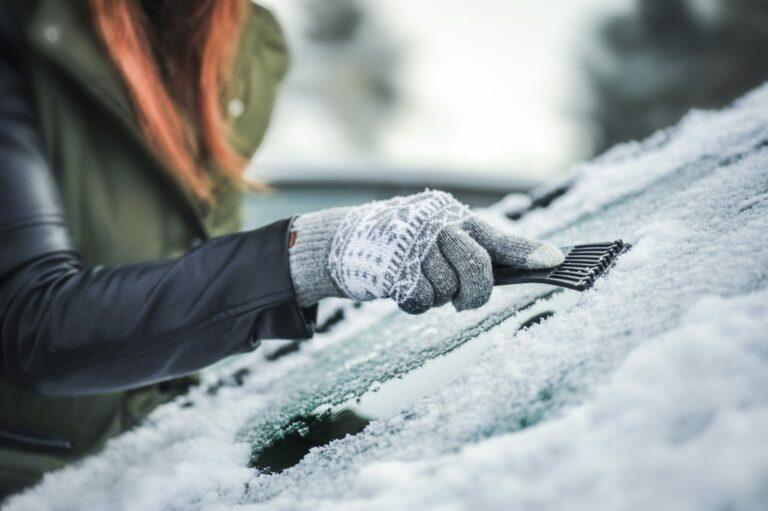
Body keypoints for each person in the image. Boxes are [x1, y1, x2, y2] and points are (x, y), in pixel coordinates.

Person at [0, 0, 563, 496]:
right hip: (38, 486)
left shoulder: (244, 48)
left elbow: (192, 309)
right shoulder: (22, 27)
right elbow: (33, 323)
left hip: (161, 474)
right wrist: (319, 252)